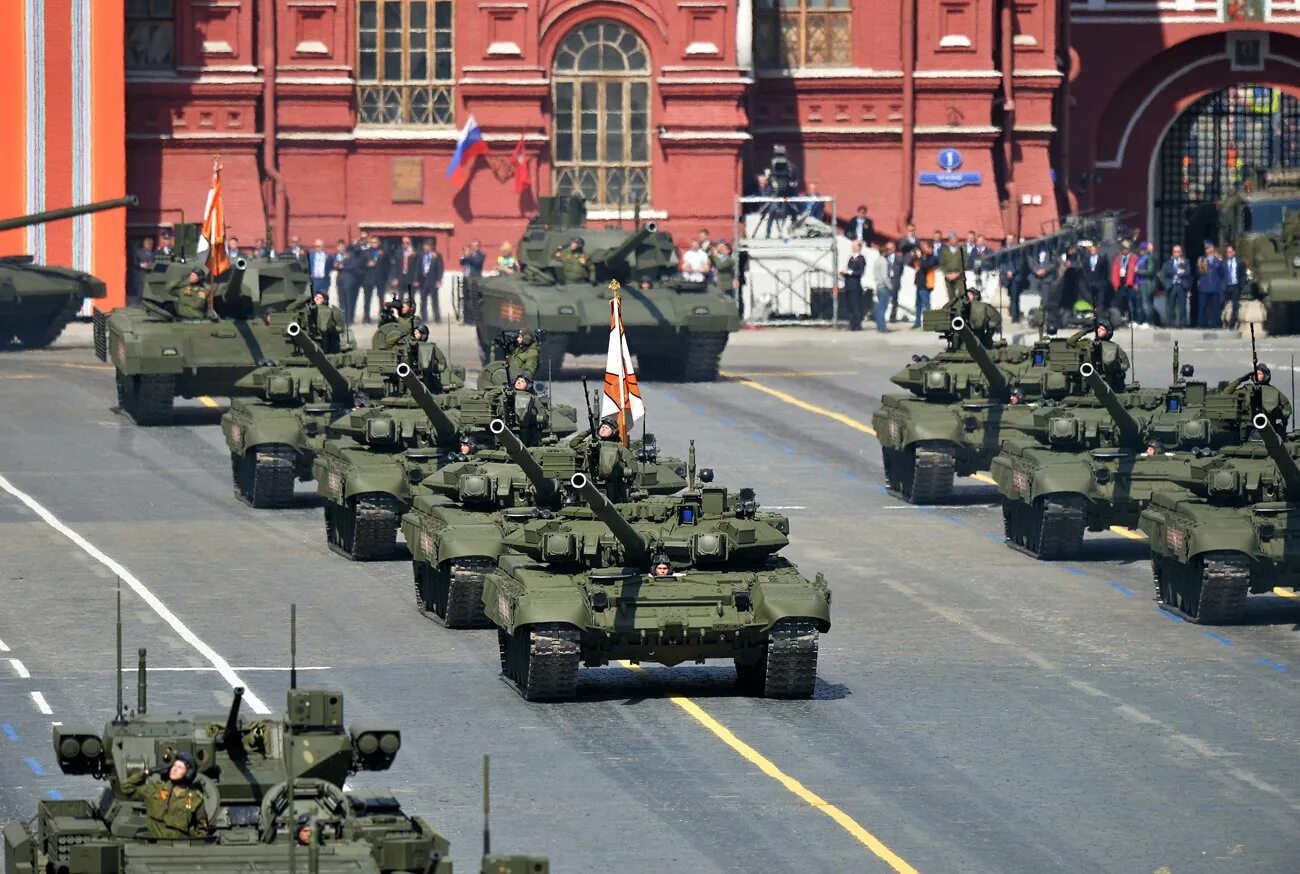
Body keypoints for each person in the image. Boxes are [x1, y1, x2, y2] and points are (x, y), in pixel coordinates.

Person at [118, 753, 209, 839]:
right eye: (174, 766)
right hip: (153, 845)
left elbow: (202, 830)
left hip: (178, 847)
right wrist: (148, 771)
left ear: (189, 773)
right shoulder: (155, 789)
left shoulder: (195, 799)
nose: (175, 769)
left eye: (180, 767)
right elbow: (126, 787)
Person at [1226, 362, 1292, 431]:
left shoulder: (1274, 391)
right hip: (1247, 428)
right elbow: (1226, 394)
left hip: (1270, 428)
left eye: (1260, 373)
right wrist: (1241, 380)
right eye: (1256, 373)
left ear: (1266, 376)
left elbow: (1287, 409)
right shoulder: (1247, 389)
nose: (1257, 375)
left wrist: (1278, 414)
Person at [1110, 239, 1140, 323]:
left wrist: (1136, 283)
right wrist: (1116, 284)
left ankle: (1133, 319)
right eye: (1123, 248)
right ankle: (1123, 318)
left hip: (1130, 283)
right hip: (1121, 283)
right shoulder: (1118, 258)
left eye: (1126, 248)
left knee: (1132, 302)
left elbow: (1137, 272)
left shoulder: (1134, 258)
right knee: (1121, 301)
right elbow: (1114, 272)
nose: (1124, 250)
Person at [1197, 242, 1226, 328]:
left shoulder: (1218, 259)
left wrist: (1219, 260)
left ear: (1213, 249)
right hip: (1204, 286)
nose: (1208, 250)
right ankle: (1201, 324)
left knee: (1215, 307)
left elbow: (1222, 272)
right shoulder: (1201, 259)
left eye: (1209, 248)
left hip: (1215, 286)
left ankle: (1216, 324)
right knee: (1202, 306)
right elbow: (1198, 272)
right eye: (1206, 249)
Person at [840, 240, 866, 331]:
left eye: (854, 246)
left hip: (855, 285)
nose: (852, 248)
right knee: (850, 306)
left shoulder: (861, 258)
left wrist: (849, 272)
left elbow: (860, 272)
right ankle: (852, 324)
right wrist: (844, 273)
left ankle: (857, 324)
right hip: (848, 284)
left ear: (858, 247)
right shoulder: (851, 258)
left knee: (855, 306)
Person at [416, 239, 444, 324]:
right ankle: (424, 318)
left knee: (434, 300)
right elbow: (417, 268)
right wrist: (416, 280)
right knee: (423, 300)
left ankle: (437, 318)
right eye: (425, 246)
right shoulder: (420, 255)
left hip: (433, 280)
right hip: (423, 281)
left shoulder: (436, 255)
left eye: (428, 246)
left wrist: (439, 280)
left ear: (431, 247)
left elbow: (440, 268)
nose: (426, 247)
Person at [1164, 244, 1192, 328]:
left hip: (1181, 285)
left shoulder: (1185, 261)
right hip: (1172, 285)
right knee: (1171, 305)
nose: (1176, 253)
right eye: (1175, 251)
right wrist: (1177, 271)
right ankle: (1171, 323)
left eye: (1178, 251)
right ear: (1172, 252)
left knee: (1182, 306)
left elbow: (1187, 272)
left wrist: (1180, 272)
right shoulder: (1169, 262)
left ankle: (1182, 323)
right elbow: (1167, 271)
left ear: (1181, 252)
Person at [1137, 242, 1161, 328]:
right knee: (1144, 303)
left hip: (1148, 283)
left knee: (1147, 303)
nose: (1141, 251)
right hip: (1141, 283)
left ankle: (1149, 321)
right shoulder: (1141, 258)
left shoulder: (1150, 257)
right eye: (1141, 249)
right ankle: (1143, 320)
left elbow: (1151, 271)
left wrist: (1138, 271)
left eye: (1143, 249)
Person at [1223, 244, 1246, 330]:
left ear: (1234, 252)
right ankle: (1222, 321)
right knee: (1222, 302)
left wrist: (1242, 285)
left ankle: (1232, 324)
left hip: (1235, 285)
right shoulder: (1224, 263)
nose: (1228, 253)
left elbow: (1243, 274)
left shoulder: (1239, 262)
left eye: (1230, 252)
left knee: (1235, 305)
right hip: (1226, 285)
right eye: (1227, 252)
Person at [938, 232, 967, 300]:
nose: (953, 241)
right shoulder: (944, 250)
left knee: (961, 294)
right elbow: (942, 264)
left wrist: (957, 274)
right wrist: (947, 274)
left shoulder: (961, 250)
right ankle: (952, 310)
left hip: (959, 276)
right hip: (948, 276)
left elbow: (964, 263)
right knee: (951, 296)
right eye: (952, 239)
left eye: (955, 239)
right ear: (949, 240)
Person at [1082, 243, 1110, 312]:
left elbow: (1106, 272)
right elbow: (1085, 272)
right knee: (1091, 302)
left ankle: (1099, 315)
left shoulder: (1102, 259)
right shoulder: (1086, 260)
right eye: (1090, 248)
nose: (1092, 249)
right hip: (1090, 285)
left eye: (1093, 248)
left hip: (1100, 284)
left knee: (1100, 304)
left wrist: (1103, 283)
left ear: (1096, 249)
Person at [872, 245, 891, 333]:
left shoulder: (877, 260)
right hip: (884, 286)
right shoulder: (884, 261)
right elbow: (884, 276)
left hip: (878, 286)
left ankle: (879, 327)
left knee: (880, 308)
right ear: (885, 252)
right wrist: (890, 287)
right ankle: (882, 328)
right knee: (883, 309)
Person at [130, 237, 155, 303]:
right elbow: (134, 263)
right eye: (148, 244)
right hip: (140, 274)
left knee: (148, 292)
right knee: (140, 291)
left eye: (150, 244)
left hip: (150, 275)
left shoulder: (153, 254)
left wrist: (150, 265)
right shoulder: (138, 252)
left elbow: (155, 263)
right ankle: (139, 304)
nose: (149, 246)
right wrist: (142, 265)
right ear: (144, 244)